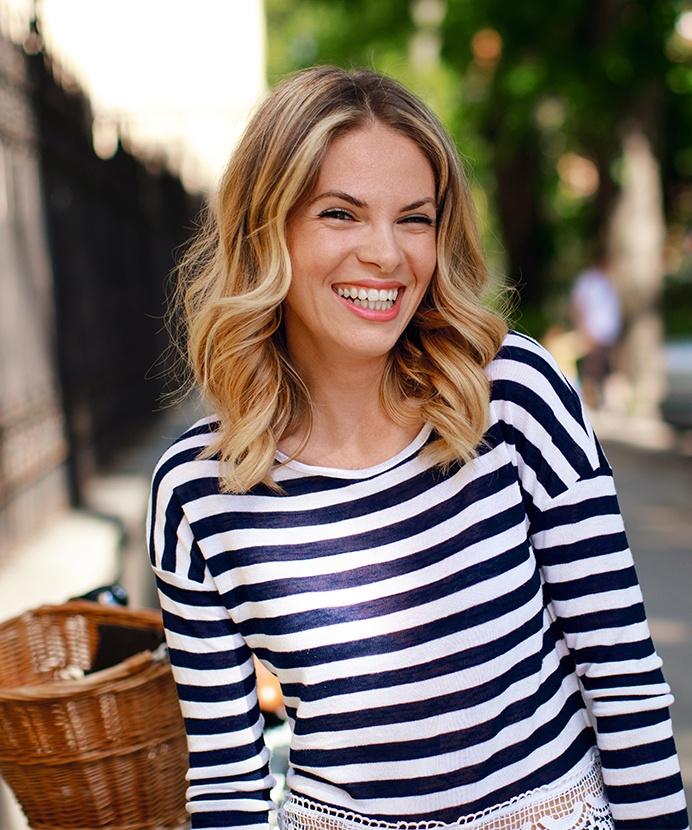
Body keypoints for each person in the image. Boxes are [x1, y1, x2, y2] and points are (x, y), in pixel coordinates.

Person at [147, 66, 689, 830]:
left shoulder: (514, 395)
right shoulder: (196, 494)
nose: (387, 254)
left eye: (415, 218)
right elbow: (229, 786)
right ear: (266, 230)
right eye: (341, 213)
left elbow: (625, 682)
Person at [569, 256, 622, 408]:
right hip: (592, 333)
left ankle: (604, 402)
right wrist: (582, 330)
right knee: (592, 370)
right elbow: (578, 305)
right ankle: (589, 402)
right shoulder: (588, 280)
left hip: (609, 335)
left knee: (608, 369)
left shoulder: (610, 281)